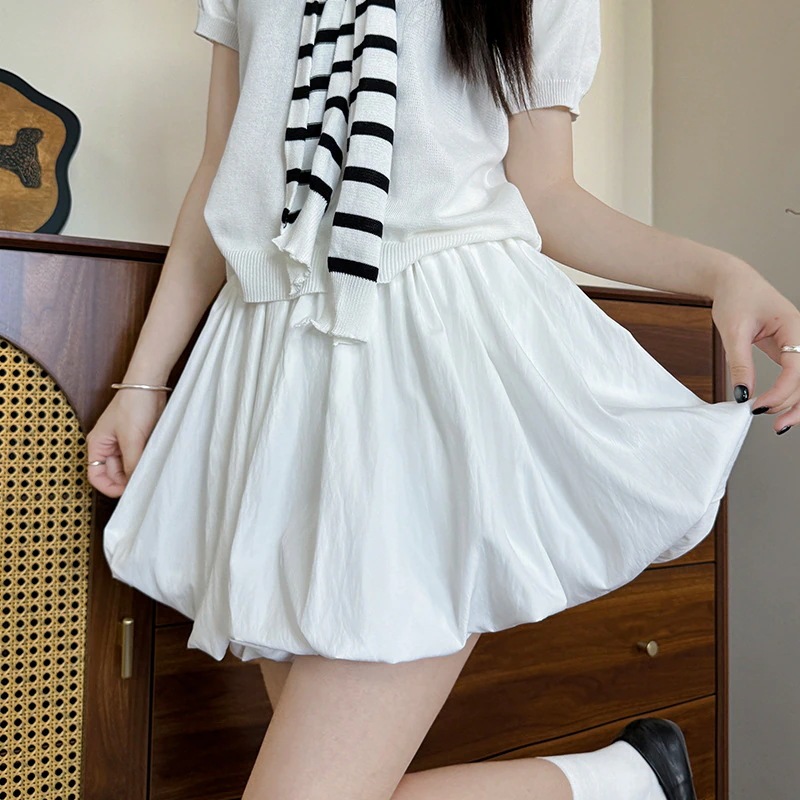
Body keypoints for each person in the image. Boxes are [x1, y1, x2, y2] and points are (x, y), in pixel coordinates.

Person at [86, 0, 800, 798]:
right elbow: (223, 171)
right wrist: (143, 380)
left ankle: (626, 782)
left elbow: (547, 194)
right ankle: (627, 782)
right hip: (270, 373)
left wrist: (722, 273)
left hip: (427, 364)